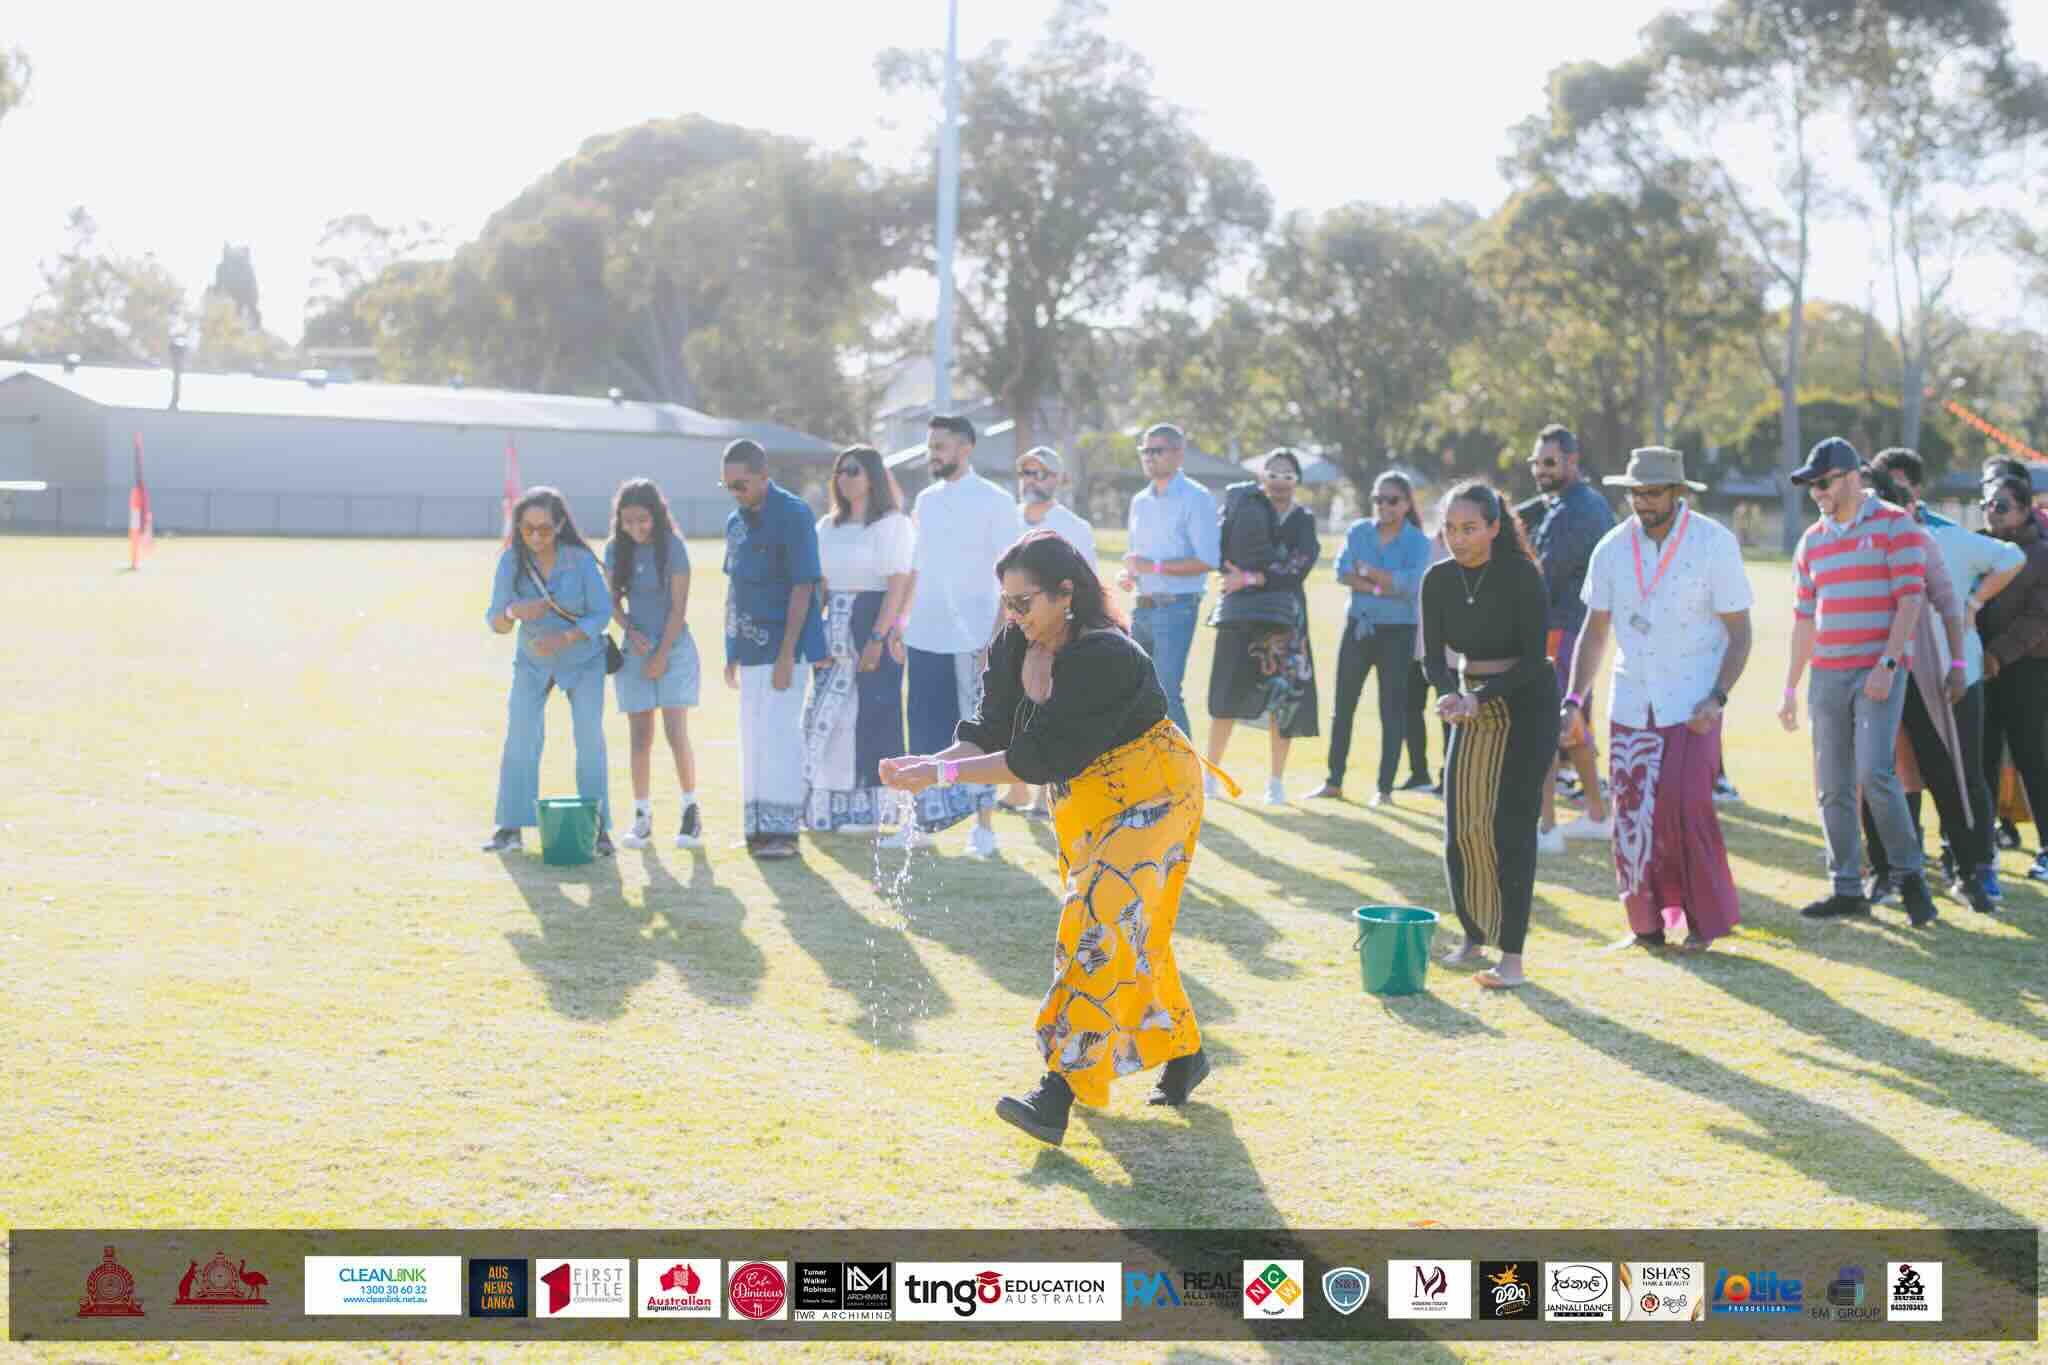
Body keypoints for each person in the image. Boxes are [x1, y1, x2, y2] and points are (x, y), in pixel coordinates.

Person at [879, 531, 1229, 1145]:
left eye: (1024, 602)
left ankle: (1057, 1090)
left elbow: (1034, 759)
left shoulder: (1104, 656)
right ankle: (1184, 1052)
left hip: (1155, 792)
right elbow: (989, 734)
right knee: (1129, 928)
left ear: (1066, 593)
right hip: (1087, 798)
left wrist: (943, 774)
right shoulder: (1017, 642)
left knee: (1097, 923)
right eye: (1007, 602)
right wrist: (927, 765)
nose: (1013, 616)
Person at [1564, 448, 1753, 950]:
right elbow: (1594, 630)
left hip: (1693, 702)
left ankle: (1701, 923)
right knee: (1630, 817)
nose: (1642, 503)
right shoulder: (1610, 548)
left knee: (1685, 807)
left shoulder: (1715, 544)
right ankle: (1644, 926)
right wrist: (1572, 698)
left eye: (1652, 493)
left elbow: (1740, 633)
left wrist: (1718, 696)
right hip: (1632, 701)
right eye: (1635, 493)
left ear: (1678, 493)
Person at [1778, 437, 1938, 925]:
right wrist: (1789, 688)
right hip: (1827, 673)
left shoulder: (1895, 526)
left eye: (1823, 483)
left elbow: (1910, 601)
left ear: (1851, 476)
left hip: (1878, 671)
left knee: (1875, 774)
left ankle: (1910, 877)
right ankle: (1846, 887)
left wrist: (1888, 666)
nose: (1818, 493)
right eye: (1811, 487)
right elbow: (1804, 619)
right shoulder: (1812, 541)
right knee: (1832, 785)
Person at [1864, 451, 2019, 911]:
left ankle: (1974, 868)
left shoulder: (1943, 539)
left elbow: (2009, 557)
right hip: (1892, 677)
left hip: (1952, 677)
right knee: (1895, 775)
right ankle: (1895, 870)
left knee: (1960, 775)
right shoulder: (1863, 544)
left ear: (1911, 495)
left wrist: (1975, 604)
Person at [1421, 481, 1560, 989]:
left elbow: (1534, 660)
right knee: (1462, 823)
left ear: (1495, 527)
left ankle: (1513, 958)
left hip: (1526, 701)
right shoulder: (1437, 579)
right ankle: (1474, 936)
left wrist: (1481, 695)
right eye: (1451, 528)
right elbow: (1434, 659)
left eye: (1470, 528)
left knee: (1510, 827)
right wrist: (1448, 693)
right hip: (1470, 699)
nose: (1458, 539)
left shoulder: (1521, 575)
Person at [891, 414, 1023, 856]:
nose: (933, 454)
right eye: (930, 446)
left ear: (965, 447)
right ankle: (919, 825)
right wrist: (899, 622)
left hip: (974, 640)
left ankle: (983, 829)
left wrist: (995, 638)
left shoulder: (996, 501)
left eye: (940, 446)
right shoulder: (925, 501)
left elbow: (1013, 576)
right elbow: (916, 566)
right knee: (924, 732)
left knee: (978, 735)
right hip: (925, 635)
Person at [483, 487, 614, 856]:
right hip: (532, 662)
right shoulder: (511, 561)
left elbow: (601, 612)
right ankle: (510, 828)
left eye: (544, 528)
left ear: (559, 525)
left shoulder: (581, 561)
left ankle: (599, 829)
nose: (536, 537)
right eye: (528, 529)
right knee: (521, 737)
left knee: (589, 741)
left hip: (583, 660)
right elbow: (495, 620)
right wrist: (514, 612)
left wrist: (568, 637)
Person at [721, 439, 826, 860]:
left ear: (764, 477)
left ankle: (783, 832)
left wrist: (786, 654)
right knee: (753, 738)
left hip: (787, 647)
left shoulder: (794, 514)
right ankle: (757, 827)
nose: (735, 493)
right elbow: (734, 586)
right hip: (748, 647)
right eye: (727, 485)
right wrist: (730, 648)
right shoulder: (735, 522)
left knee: (781, 737)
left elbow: (804, 585)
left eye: (741, 484)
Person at [803, 445, 915, 835]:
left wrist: (878, 637)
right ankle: (828, 808)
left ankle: (873, 812)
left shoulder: (891, 524)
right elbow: (818, 586)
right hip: (831, 627)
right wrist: (812, 637)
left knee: (873, 716)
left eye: (854, 470)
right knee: (827, 718)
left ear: (873, 476)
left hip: (871, 624)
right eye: (840, 471)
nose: (845, 478)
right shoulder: (826, 527)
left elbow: (898, 584)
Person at [1204, 448, 1321, 805]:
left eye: (1288, 473)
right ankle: (1210, 777)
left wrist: (1252, 578)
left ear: (1297, 480)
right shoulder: (1242, 506)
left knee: (1280, 697)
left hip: (1284, 618)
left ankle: (1275, 782)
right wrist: (1235, 576)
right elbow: (1221, 551)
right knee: (1225, 693)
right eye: (1274, 471)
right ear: (1262, 475)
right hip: (1239, 612)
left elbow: (1298, 567)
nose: (1280, 480)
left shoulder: (1303, 519)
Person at [1312, 471, 1431, 805]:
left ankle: (1384, 789)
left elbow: (1410, 587)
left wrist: (1369, 575)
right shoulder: (1358, 531)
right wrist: (1383, 585)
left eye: (1392, 500)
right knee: (1343, 707)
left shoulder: (1417, 541)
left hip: (1398, 633)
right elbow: (1342, 572)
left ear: (1407, 504)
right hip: (1358, 627)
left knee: (1391, 710)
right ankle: (1333, 782)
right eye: (1379, 499)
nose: (1384, 506)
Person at [1523, 425, 1616, 849]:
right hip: (1572, 631)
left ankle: (1546, 829)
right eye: (1535, 462)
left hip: (1563, 629)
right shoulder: (1568, 504)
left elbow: (1543, 577)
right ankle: (1597, 814)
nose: (1539, 470)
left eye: (1548, 462)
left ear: (1572, 461)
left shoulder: (1576, 512)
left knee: (1547, 722)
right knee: (1573, 721)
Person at [606, 479, 703, 850]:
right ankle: (642, 816)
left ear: (656, 515)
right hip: (635, 650)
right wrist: (630, 629)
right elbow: (613, 602)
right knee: (639, 737)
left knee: (675, 732)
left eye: (642, 520)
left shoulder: (673, 547)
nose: (636, 528)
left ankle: (690, 811)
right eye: (628, 522)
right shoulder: (617, 550)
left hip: (674, 649)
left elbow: (679, 609)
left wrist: (662, 653)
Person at [1000, 445, 1097, 817]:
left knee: (1047, 707)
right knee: (1012, 704)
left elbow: (1086, 584)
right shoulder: (1007, 519)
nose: (1033, 481)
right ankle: (1017, 789)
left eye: (1042, 473)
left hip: (1055, 628)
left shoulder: (1074, 526)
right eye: (1027, 472)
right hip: (1012, 625)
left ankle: (1046, 796)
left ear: (1059, 479)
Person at [1120, 423, 1221, 739]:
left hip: (1177, 608)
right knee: (1134, 692)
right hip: (1143, 608)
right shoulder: (1140, 501)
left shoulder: (1196, 498)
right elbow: (1139, 558)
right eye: (1145, 451)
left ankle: (1187, 779)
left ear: (1179, 455)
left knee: (1165, 695)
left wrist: (1153, 566)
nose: (1149, 457)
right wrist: (1131, 574)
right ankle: (1149, 774)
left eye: (1157, 451)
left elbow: (1207, 560)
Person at [1977, 470, 2048, 883]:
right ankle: (1982, 847)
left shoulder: (2041, 554)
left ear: (2023, 510)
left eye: (2001, 505)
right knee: (1981, 758)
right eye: (1986, 503)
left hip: (2028, 669)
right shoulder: (1978, 544)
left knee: (2032, 759)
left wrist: (1997, 655)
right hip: (1981, 670)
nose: (1991, 512)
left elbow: (2040, 618)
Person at [1401, 524, 1457, 795]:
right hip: (1418, 647)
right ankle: (1417, 772)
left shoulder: (1468, 551)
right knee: (1410, 709)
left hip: (1452, 653)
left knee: (1448, 715)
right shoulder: (1425, 546)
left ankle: (1449, 777)